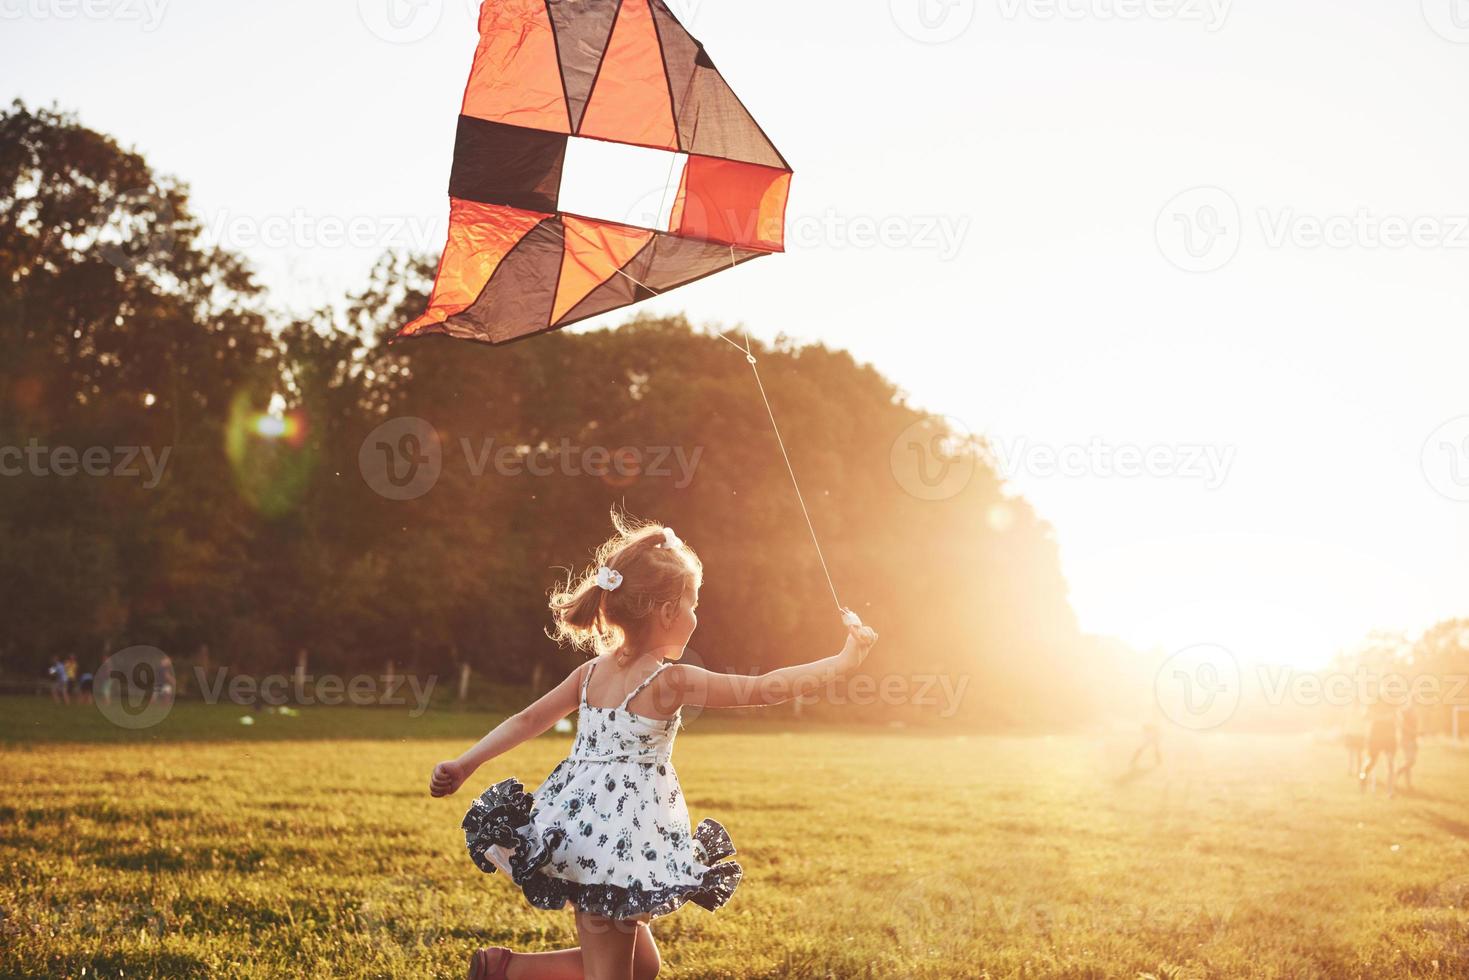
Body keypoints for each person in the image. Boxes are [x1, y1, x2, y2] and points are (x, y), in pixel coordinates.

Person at [429, 514, 878, 980]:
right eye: (693, 604)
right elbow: (764, 688)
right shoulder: (671, 681)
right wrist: (843, 662)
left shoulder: (590, 673)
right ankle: (504, 973)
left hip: (581, 832)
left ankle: (505, 970)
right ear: (666, 613)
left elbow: (527, 720)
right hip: (618, 847)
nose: (696, 615)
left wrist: (466, 764)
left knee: (643, 964)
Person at [1359, 702, 1397, 796]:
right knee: (1371, 763)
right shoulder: (1373, 702)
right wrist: (1381, 717)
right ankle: (1362, 776)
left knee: (1390, 763)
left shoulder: (1393, 702)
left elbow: (1397, 717)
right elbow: (1365, 716)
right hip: (1375, 737)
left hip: (1389, 737)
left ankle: (1390, 790)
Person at [1398, 706, 1419, 791]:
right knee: (1410, 761)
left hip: (1412, 740)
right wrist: (1413, 732)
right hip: (1406, 740)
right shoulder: (1405, 716)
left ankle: (1408, 784)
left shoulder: (1414, 718)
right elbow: (1403, 726)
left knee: (1409, 762)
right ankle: (1397, 772)